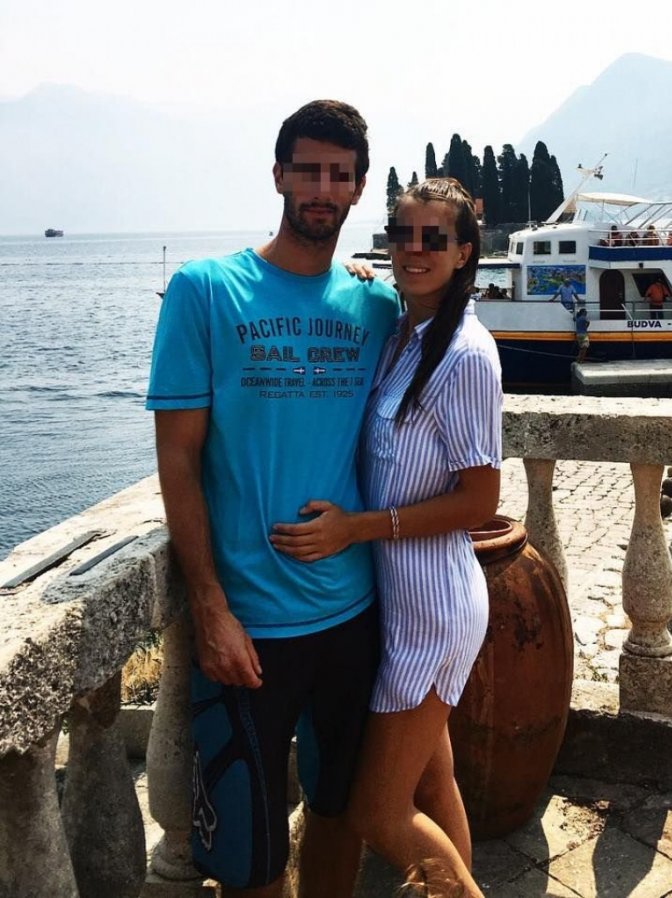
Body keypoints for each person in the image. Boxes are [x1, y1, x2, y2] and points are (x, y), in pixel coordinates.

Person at [146, 100, 400, 898]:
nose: (323, 188)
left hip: (355, 616)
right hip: (250, 629)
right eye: (309, 170)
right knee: (249, 860)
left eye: (340, 174)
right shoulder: (206, 292)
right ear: (279, 175)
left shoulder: (376, 305)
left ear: (358, 187)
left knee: (339, 815)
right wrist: (209, 608)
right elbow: (178, 460)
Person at [270, 178, 502, 898]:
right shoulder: (404, 333)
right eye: (403, 235)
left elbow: (481, 500)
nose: (415, 250)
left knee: (376, 811)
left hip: (432, 610)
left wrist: (357, 529)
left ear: (465, 252)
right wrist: (354, 280)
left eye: (435, 239)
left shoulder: (465, 355)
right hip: (403, 603)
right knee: (432, 785)